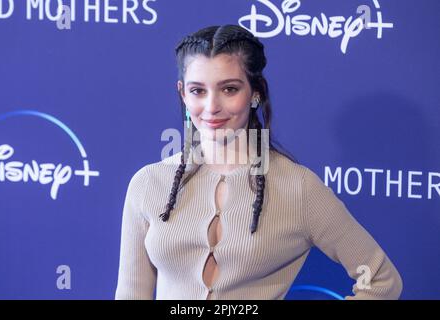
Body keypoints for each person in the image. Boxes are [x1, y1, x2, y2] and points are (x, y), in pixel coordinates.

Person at [115, 24, 402, 300]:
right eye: (198, 91)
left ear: (256, 92)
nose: (212, 106)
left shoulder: (299, 188)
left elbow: (381, 281)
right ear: (183, 94)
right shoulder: (148, 183)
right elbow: (130, 295)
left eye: (229, 89)